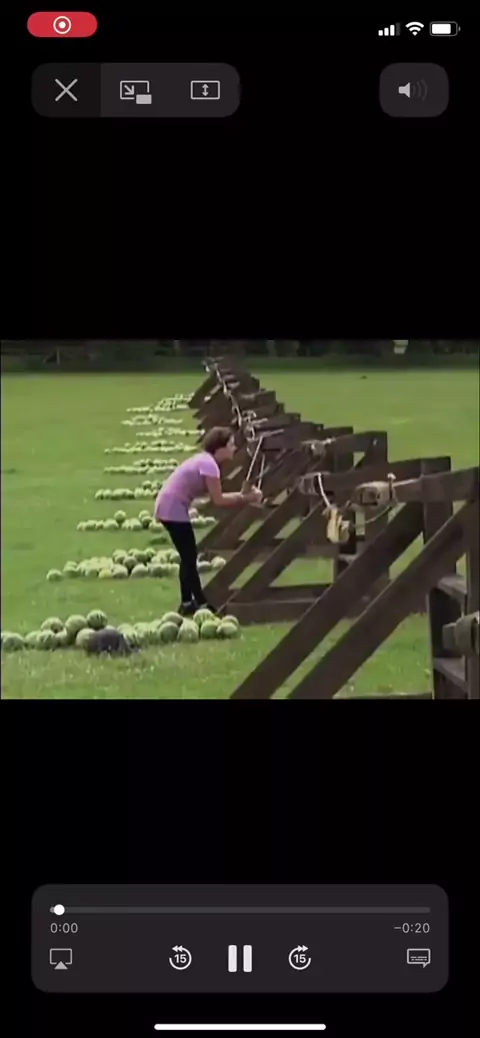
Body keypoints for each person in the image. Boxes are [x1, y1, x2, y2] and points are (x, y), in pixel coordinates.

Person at [153, 426, 263, 616]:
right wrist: (247, 498)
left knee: (188, 557)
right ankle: (200, 603)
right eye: (231, 444)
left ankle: (188, 603)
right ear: (220, 448)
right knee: (189, 557)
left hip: (170, 506)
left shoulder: (206, 461)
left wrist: (243, 494)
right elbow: (218, 500)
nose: (234, 448)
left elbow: (211, 497)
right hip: (172, 509)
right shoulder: (210, 465)